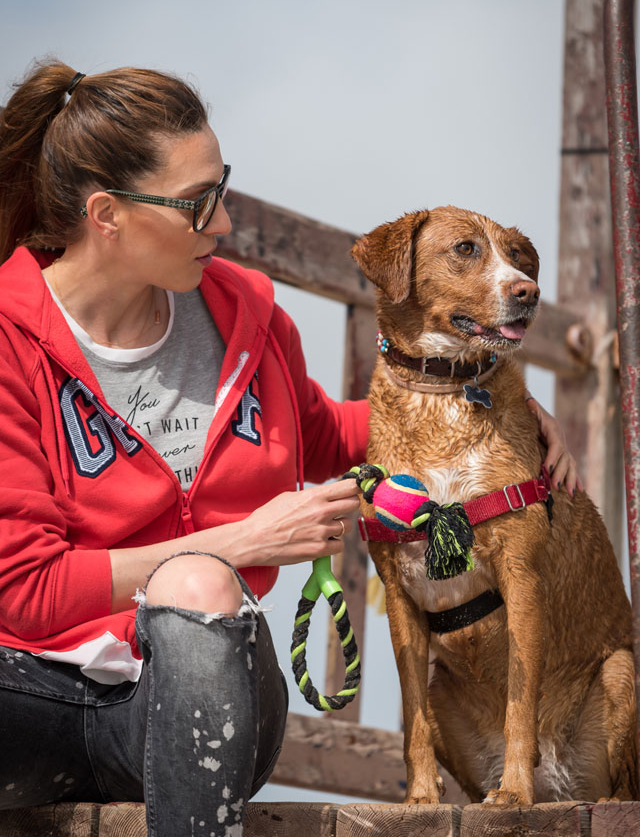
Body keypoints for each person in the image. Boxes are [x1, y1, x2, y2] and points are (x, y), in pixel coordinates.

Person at [0, 59, 579, 836]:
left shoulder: (250, 318)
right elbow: (25, 588)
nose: (223, 224)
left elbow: (332, 434)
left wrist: (498, 410)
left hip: (214, 693)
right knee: (202, 573)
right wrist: (240, 543)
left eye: (223, 188)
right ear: (108, 214)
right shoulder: (9, 340)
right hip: (34, 699)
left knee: (201, 590)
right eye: (198, 203)